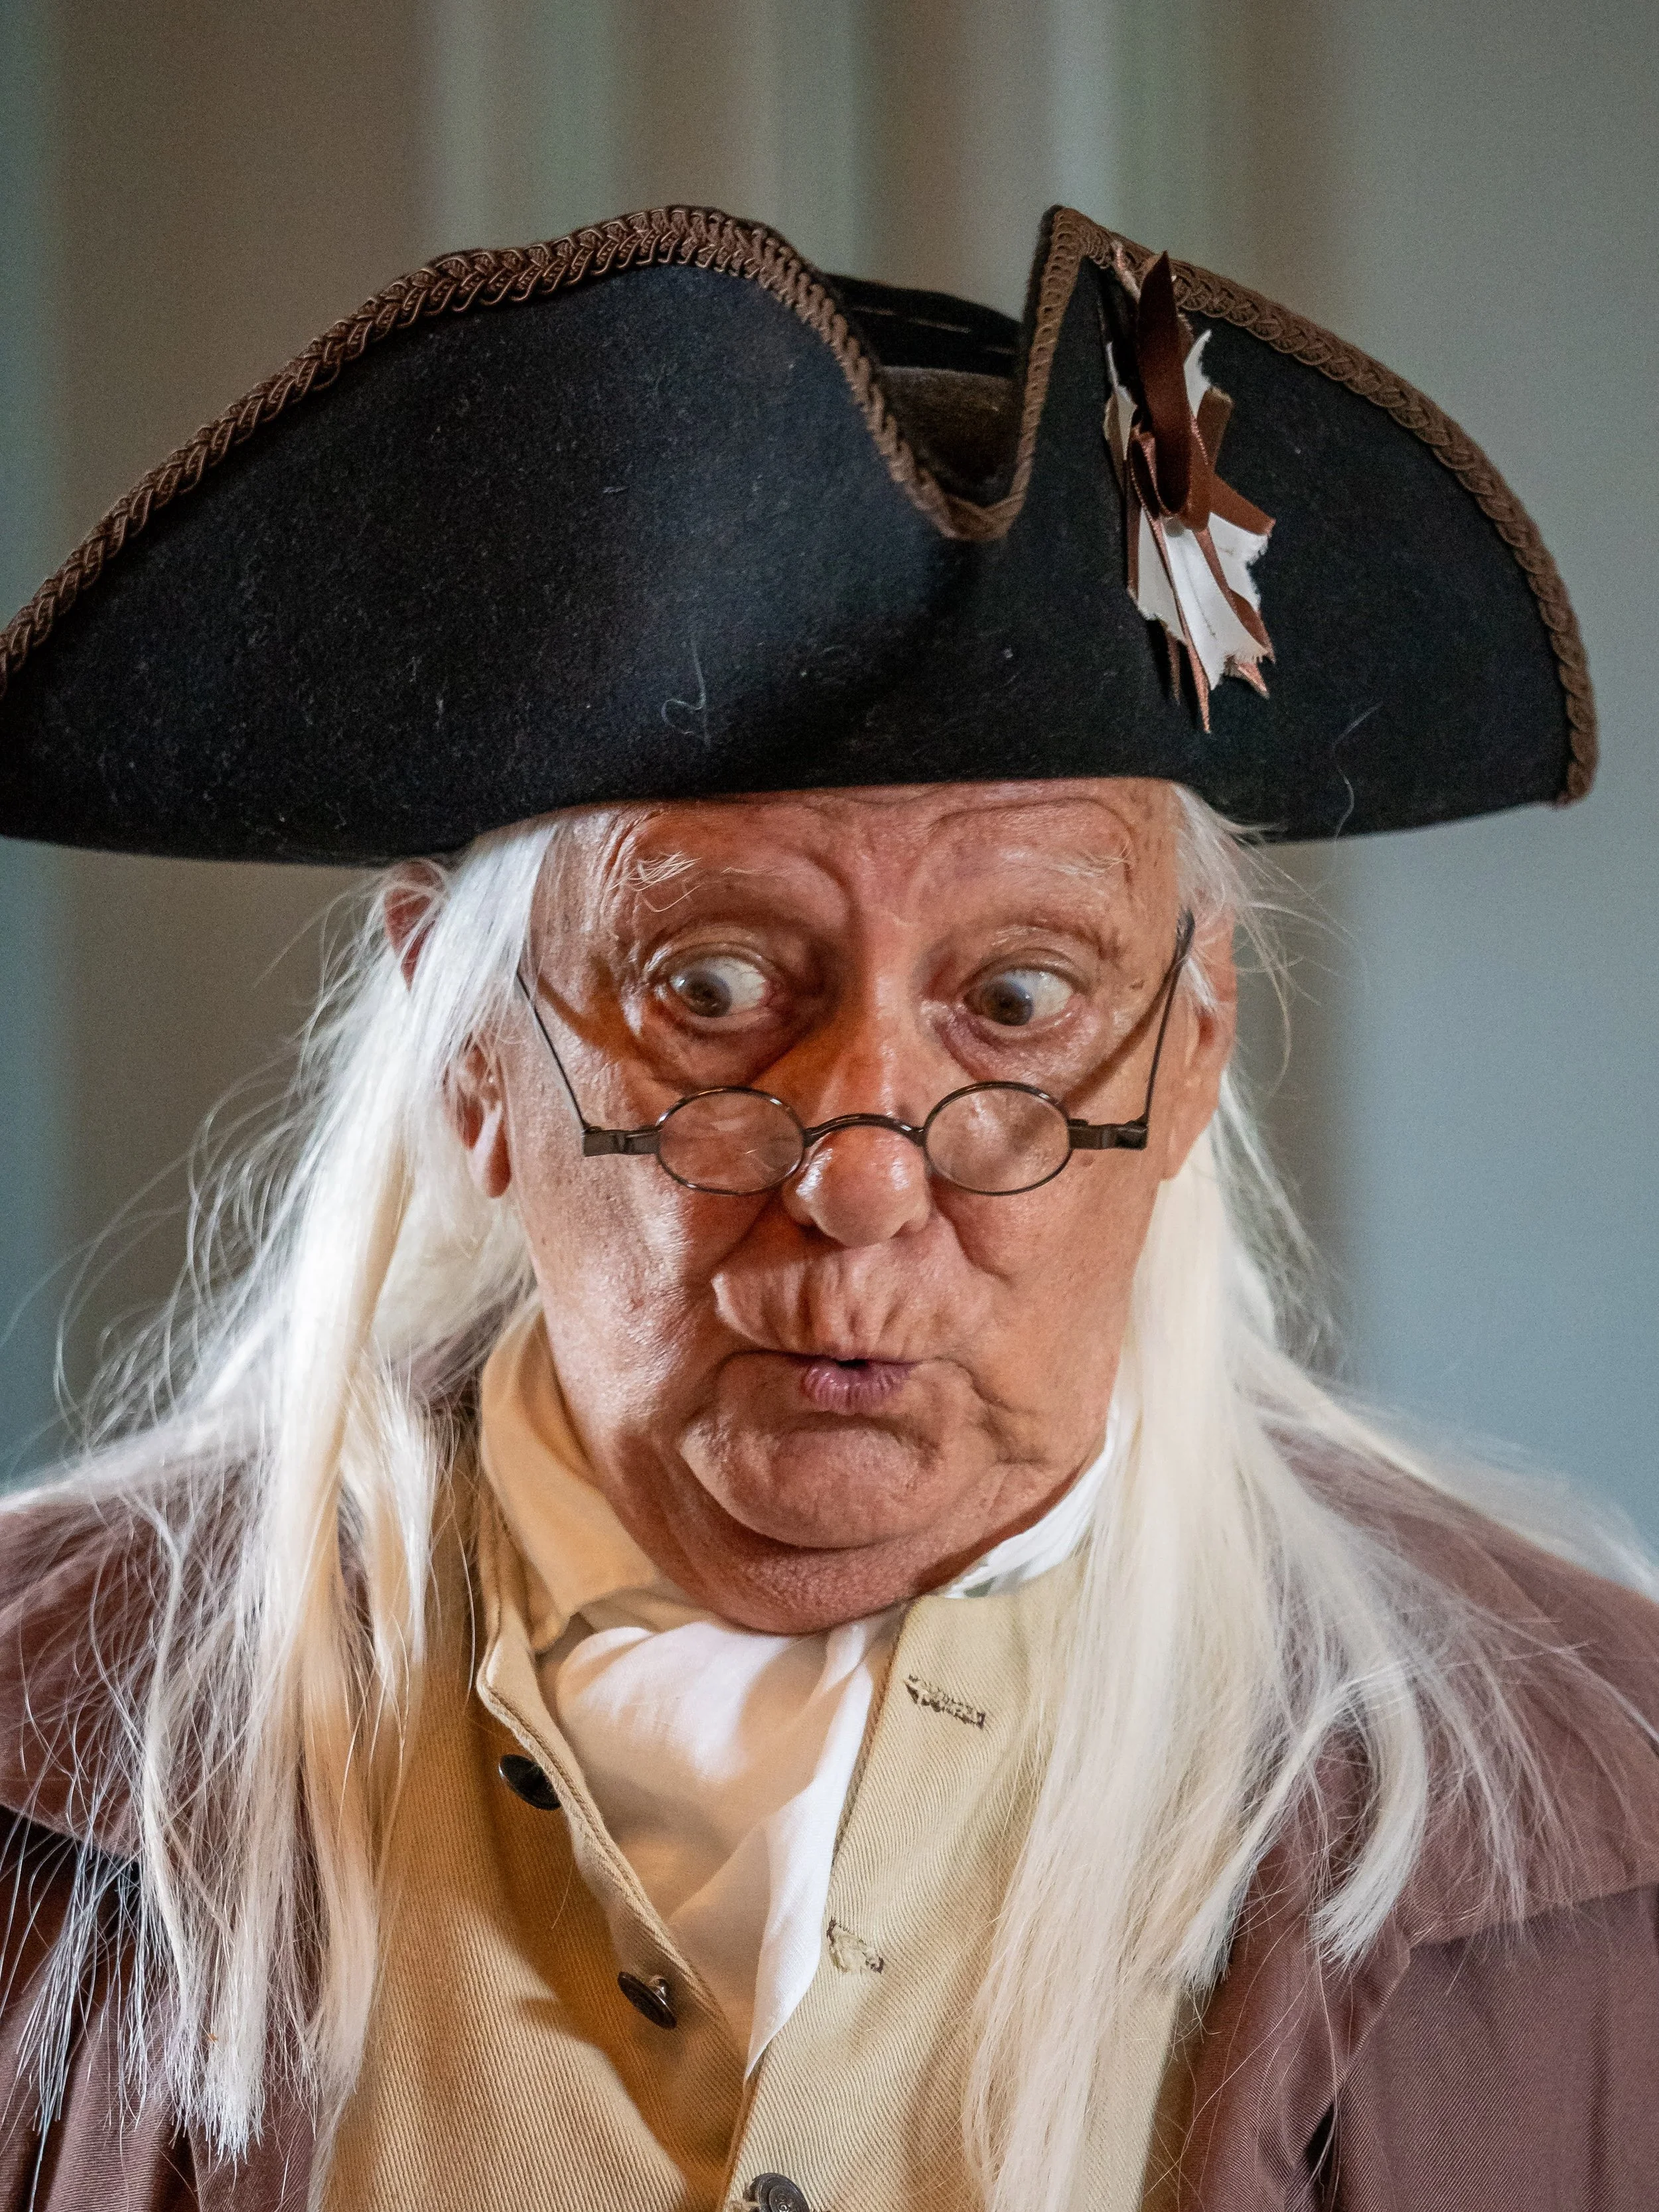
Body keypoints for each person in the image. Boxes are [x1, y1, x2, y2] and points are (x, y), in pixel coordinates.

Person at [0, 205, 1653, 2212]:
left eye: (1018, 999)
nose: (858, 1185)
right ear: (468, 1057)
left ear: (1194, 1040)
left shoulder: (1601, 1824)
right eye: (707, 989)